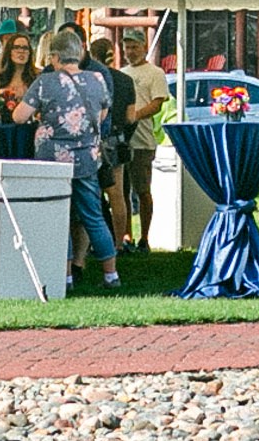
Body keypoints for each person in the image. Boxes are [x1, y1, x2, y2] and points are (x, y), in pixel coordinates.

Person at [24, 26, 120, 288]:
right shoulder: (97, 79)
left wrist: (45, 118)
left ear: (55, 56)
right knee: (94, 216)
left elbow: (19, 115)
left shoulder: (45, 82)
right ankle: (111, 275)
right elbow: (101, 115)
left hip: (52, 159)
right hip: (87, 158)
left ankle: (64, 277)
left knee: (58, 217)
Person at [109, 30, 168, 256]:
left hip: (143, 140)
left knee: (142, 190)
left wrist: (135, 116)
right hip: (122, 141)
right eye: (127, 48)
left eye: (134, 47)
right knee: (121, 191)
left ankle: (144, 237)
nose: (130, 52)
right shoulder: (121, 74)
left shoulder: (155, 73)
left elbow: (158, 103)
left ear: (144, 47)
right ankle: (125, 236)